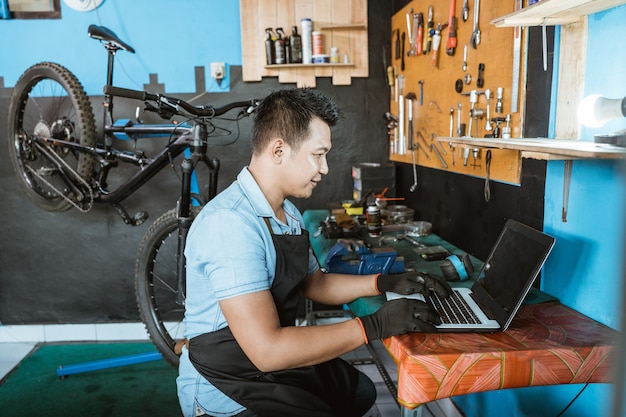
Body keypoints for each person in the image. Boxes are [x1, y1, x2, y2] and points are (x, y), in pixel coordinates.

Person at [176, 87, 452, 417]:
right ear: (279, 150)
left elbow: (315, 284)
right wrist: (372, 326)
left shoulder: (288, 214)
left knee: (357, 392)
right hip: (227, 383)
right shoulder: (231, 224)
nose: (324, 169)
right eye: (318, 155)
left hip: (268, 360)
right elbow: (267, 351)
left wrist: (385, 283)